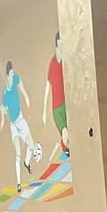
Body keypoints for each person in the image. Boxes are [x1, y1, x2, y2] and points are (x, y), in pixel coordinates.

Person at [0, 62, 41, 190]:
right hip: (13, 125)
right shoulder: (5, 94)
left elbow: (21, 87)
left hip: (21, 120)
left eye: (13, 73)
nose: (13, 75)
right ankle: (18, 184)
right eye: (11, 74)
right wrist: (2, 120)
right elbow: (3, 108)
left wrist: (26, 96)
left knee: (31, 145)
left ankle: (27, 163)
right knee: (18, 152)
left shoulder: (16, 78)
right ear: (7, 76)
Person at [42, 32, 69, 161]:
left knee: (68, 133)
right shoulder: (53, 64)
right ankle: (65, 148)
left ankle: (65, 146)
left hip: (66, 104)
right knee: (65, 132)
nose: (62, 47)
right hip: (57, 108)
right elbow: (47, 88)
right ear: (56, 46)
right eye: (60, 44)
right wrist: (44, 111)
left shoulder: (65, 62)